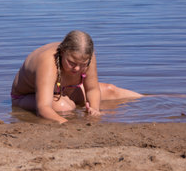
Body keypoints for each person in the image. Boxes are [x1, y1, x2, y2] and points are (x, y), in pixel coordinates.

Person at [11, 30, 142, 124]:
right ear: (63, 52)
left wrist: (94, 110)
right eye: (72, 63)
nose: (77, 69)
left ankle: (157, 97)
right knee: (64, 106)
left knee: (111, 90)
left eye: (83, 64)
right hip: (27, 97)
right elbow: (43, 108)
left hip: (66, 90)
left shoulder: (87, 57)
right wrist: (67, 124)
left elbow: (92, 89)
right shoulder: (48, 61)